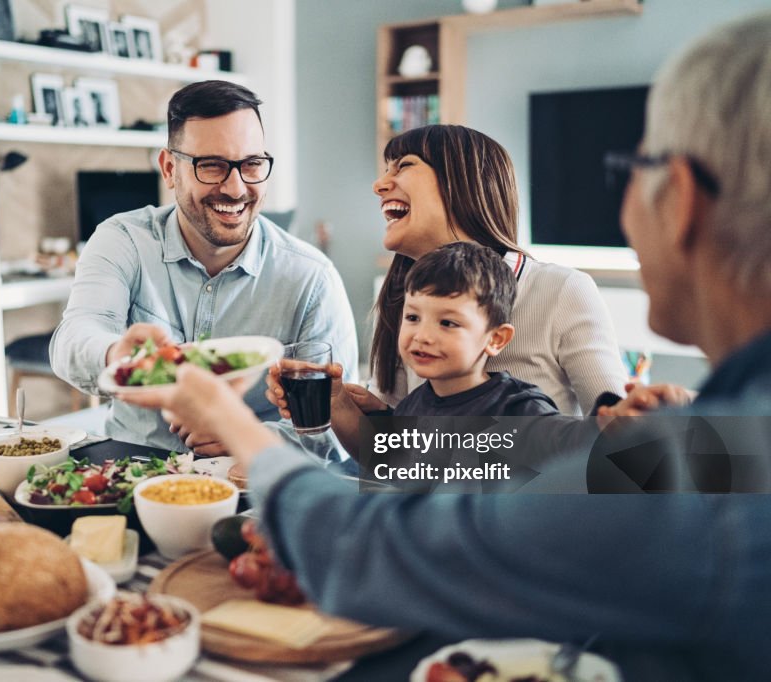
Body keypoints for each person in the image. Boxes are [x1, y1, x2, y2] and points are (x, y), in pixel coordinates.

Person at [122, 12, 771, 679]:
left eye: (630, 168)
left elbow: (393, 537)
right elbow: (425, 453)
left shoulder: (685, 472)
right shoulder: (728, 442)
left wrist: (225, 411)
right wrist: (357, 418)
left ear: (682, 200)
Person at [268, 125, 626, 447]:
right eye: (414, 319)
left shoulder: (561, 290)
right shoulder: (401, 298)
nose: (379, 185)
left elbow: (623, 436)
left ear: (464, 183)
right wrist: (341, 405)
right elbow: (396, 456)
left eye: (403, 165)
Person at [51, 80, 358, 454]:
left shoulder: (312, 279)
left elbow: (335, 430)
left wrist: (243, 436)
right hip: (133, 471)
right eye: (211, 166)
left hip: (250, 486)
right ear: (169, 169)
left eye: (252, 164)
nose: (235, 188)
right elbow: (73, 340)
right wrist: (119, 356)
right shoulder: (123, 240)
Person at [394, 241, 558, 417]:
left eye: (447, 323)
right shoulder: (408, 409)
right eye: (413, 318)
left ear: (496, 339)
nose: (422, 336)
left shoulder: (522, 411)